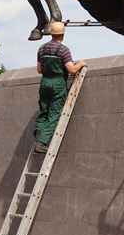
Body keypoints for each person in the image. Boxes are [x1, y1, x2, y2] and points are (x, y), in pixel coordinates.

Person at [33, 21, 86, 153]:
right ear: (62, 34)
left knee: (43, 112)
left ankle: (39, 134)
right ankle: (41, 143)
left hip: (44, 82)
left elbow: (39, 70)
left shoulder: (42, 49)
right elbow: (72, 70)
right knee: (54, 114)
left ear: (51, 33)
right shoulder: (63, 50)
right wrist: (81, 63)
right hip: (57, 84)